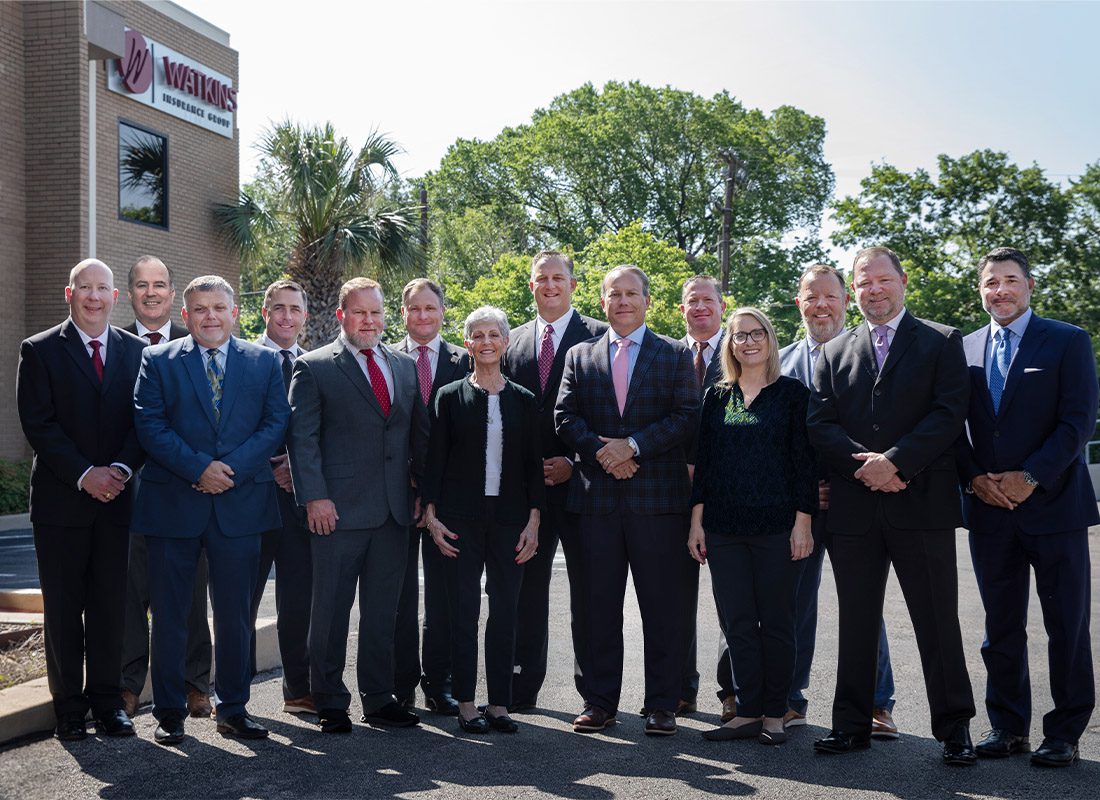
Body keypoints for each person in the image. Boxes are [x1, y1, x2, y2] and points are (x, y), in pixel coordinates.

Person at [807, 246, 977, 765]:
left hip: (920, 503)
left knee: (937, 621)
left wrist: (897, 463)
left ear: (903, 282)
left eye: (883, 280)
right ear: (854, 290)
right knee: (856, 621)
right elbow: (819, 422)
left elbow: (950, 414)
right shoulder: (835, 351)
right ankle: (852, 724)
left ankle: (955, 730)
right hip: (855, 508)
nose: (874, 290)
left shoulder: (942, 341)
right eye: (864, 283)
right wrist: (867, 466)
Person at [132, 275, 290, 745]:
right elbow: (150, 425)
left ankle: (235, 709)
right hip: (173, 505)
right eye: (200, 309)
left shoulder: (263, 362)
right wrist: (200, 468)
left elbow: (275, 422)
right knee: (170, 614)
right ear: (186, 316)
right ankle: (169, 712)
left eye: (218, 308)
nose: (210, 317)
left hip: (240, 506)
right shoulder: (157, 360)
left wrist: (230, 470)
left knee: (235, 616)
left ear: (234, 311)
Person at [957, 247, 1097, 768]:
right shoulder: (964, 348)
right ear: (981, 289)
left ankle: (1064, 731)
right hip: (989, 510)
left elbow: (1078, 421)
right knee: (1001, 626)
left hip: (1056, 509)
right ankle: (1008, 726)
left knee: (1066, 624)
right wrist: (974, 478)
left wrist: (1031, 477)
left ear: (1029, 285)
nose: (1001, 291)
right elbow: (957, 425)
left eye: (1011, 280)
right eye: (991, 283)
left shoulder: (1067, 340)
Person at [556, 265, 699, 737]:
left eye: (631, 293)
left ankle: (661, 703)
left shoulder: (675, 354)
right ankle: (598, 702)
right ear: (602, 302)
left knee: (664, 606)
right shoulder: (580, 355)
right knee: (596, 607)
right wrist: (603, 452)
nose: (622, 301)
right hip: (596, 503)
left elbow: (686, 416)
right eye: (614, 294)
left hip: (659, 502)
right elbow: (565, 416)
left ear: (648, 301)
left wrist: (633, 446)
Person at [287, 277, 428, 734]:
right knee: (329, 610)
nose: (369, 321)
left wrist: (423, 491)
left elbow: (416, 435)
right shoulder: (315, 367)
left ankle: (380, 697)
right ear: (341, 316)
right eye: (359, 312)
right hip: (336, 512)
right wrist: (314, 497)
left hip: (393, 512)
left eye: (376, 313)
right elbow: (301, 439)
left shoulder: (404, 367)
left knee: (382, 611)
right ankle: (328, 699)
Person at [16, 259, 146, 741]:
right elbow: (38, 425)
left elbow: (144, 422)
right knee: (65, 609)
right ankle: (69, 709)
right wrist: (84, 474)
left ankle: (108, 704)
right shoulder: (40, 350)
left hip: (117, 499)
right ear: (68, 294)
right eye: (84, 288)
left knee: (112, 607)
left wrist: (119, 470)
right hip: (61, 505)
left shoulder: (137, 352)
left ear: (116, 297)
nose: (94, 296)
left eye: (103, 288)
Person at [777, 264, 898, 737]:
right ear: (799, 304)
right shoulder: (777, 361)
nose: (822, 305)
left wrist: (848, 475)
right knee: (791, 604)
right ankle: (788, 698)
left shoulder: (873, 355)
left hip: (856, 498)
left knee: (863, 603)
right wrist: (801, 491)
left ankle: (876, 701)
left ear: (845, 300)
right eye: (812, 297)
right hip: (795, 508)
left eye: (830, 296)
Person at [690, 307, 816, 745]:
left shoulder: (792, 394)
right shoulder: (717, 397)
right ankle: (746, 710)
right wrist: (697, 524)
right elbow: (704, 465)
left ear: (770, 339)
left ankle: (776, 712)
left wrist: (803, 523)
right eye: (739, 335)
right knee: (738, 623)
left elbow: (805, 465)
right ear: (730, 344)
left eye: (757, 333)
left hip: (777, 528)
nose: (748, 341)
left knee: (777, 622)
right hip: (724, 528)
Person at [421, 306, 544, 734]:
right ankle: (467, 704)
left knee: (506, 610)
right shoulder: (449, 396)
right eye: (478, 335)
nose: (487, 342)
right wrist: (432, 517)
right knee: (464, 611)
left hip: (511, 519)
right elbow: (434, 461)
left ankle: (500, 705)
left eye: (495, 334)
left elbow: (533, 467)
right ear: (468, 343)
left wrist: (534, 522)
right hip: (459, 519)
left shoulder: (525, 401)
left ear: (506, 342)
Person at [502, 250, 606, 711]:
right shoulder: (511, 342)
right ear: (531, 286)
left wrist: (573, 460)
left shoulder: (601, 338)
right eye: (541, 279)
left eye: (558, 278)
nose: (549, 285)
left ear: (573, 284)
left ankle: (594, 696)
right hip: (528, 495)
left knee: (589, 596)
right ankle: (521, 692)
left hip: (586, 488)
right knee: (525, 594)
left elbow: (610, 416)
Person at [119, 255, 212, 720]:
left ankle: (197, 686)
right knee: (131, 590)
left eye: (159, 285)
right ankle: (129, 685)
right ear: (130, 293)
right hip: (129, 489)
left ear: (172, 295)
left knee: (192, 594)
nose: (151, 292)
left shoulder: (196, 342)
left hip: (186, 488)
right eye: (142, 285)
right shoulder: (115, 345)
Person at [393, 277, 469, 716]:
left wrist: (436, 494)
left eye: (430, 308)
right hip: (397, 497)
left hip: (450, 501)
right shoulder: (384, 359)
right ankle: (399, 685)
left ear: (443, 312)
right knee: (398, 597)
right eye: (414, 309)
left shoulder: (465, 361)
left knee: (444, 598)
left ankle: (438, 683)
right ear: (404, 314)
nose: (423, 316)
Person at [248, 279, 314, 715]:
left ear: (305, 317)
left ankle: (298, 690)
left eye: (294, 309)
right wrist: (273, 465)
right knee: (242, 600)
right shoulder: (242, 359)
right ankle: (230, 693)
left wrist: (299, 469)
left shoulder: (318, 364)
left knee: (299, 601)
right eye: (279, 308)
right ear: (265, 313)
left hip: (299, 503)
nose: (286, 316)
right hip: (250, 499)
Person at [677, 274, 737, 722]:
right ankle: (681, 689)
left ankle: (732, 691)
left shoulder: (742, 351)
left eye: (707, 301)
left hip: (726, 493)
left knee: (732, 599)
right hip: (671, 492)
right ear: (681, 309)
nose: (699, 308)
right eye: (691, 301)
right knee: (674, 598)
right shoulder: (665, 354)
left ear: (721, 306)